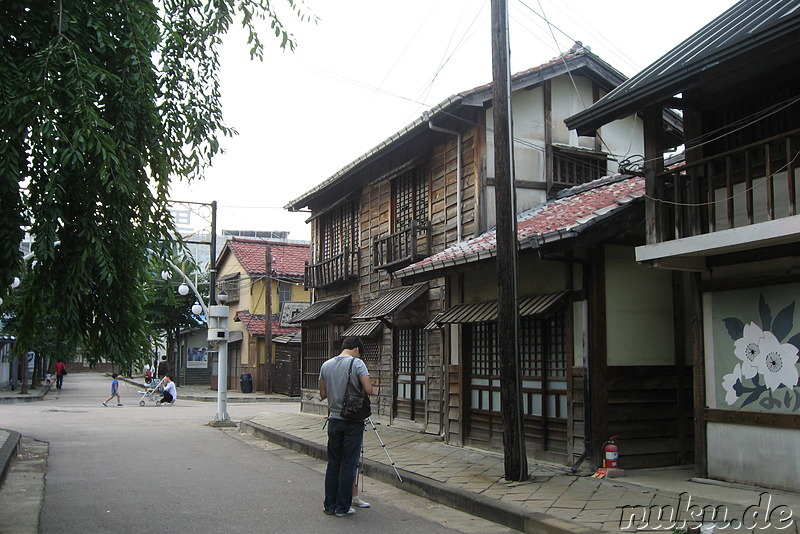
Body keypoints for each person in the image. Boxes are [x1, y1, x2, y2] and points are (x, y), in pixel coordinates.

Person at [318, 337, 373, 518]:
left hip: (334, 420)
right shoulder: (357, 364)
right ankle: (343, 507)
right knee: (349, 463)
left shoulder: (325, 365)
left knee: (333, 463)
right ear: (356, 349)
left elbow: (323, 394)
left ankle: (329, 505)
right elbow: (368, 389)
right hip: (352, 421)